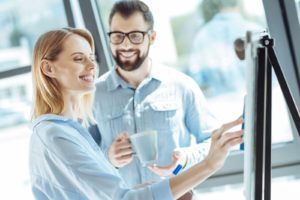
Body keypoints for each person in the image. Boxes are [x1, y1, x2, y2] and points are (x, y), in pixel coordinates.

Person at [29, 27, 243, 199]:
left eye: (91, 57)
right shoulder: (53, 135)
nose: (91, 65)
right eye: (78, 58)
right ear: (49, 69)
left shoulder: (71, 130)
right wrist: (209, 164)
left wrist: (161, 190)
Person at [92, 0, 226, 197]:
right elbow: (82, 159)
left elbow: (213, 142)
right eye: (118, 36)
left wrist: (186, 158)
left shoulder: (182, 85)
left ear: (152, 37)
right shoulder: (92, 96)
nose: (126, 44)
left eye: (135, 36)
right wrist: (108, 158)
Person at [188, 0, 259, 96]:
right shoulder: (255, 30)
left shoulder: (201, 37)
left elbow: (197, 80)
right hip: (259, 102)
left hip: (221, 106)